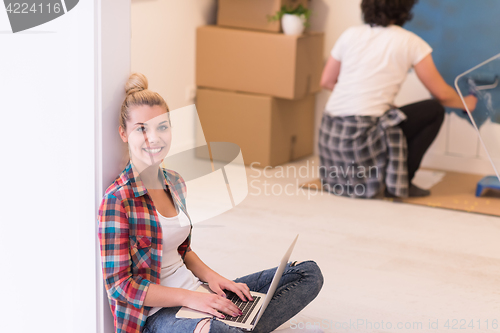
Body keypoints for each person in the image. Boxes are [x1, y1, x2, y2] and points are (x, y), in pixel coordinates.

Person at [98, 73, 323, 333]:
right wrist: (191, 299)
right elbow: (121, 286)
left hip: (199, 293)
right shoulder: (117, 200)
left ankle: (232, 325)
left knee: (307, 274)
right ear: (124, 133)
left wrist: (214, 279)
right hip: (158, 316)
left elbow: (182, 251)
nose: (154, 138)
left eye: (162, 126)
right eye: (141, 129)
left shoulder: (175, 182)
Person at [318, 0, 477, 198]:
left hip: (331, 139)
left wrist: (365, 99)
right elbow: (442, 94)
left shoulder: (350, 34)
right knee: (433, 110)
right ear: (404, 9)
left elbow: (326, 81)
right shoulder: (410, 42)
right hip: (361, 139)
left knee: (393, 115)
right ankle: (404, 182)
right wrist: (467, 103)